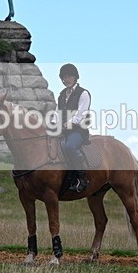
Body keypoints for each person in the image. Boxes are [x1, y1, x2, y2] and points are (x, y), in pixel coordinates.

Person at [56, 63, 91, 193]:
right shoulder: (61, 95)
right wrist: (53, 124)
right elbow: (57, 113)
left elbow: (80, 114)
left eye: (69, 76)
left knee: (70, 146)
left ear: (75, 77)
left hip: (78, 131)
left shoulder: (84, 93)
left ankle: (83, 179)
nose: (66, 79)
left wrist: (66, 124)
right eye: (64, 77)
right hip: (63, 130)